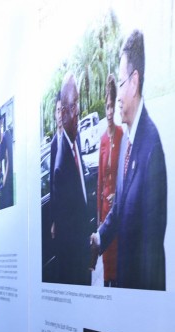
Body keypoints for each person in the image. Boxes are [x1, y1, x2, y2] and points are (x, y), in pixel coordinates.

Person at [91, 29, 167, 291]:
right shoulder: (128, 142)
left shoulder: (151, 148)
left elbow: (151, 253)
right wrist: (99, 236)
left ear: (134, 83)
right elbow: (120, 207)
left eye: (121, 84)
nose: (118, 97)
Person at [46, 73, 93, 285]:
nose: (77, 112)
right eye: (71, 107)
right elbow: (56, 191)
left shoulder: (75, 139)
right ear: (62, 112)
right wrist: (56, 221)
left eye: (77, 105)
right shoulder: (58, 151)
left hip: (83, 240)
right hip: (74, 250)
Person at [95, 74, 123, 286]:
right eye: (107, 107)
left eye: (113, 106)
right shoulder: (103, 140)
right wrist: (98, 216)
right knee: (107, 268)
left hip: (119, 211)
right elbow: (99, 182)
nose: (111, 111)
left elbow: (126, 171)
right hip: (105, 211)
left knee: (120, 265)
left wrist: (119, 195)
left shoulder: (123, 134)